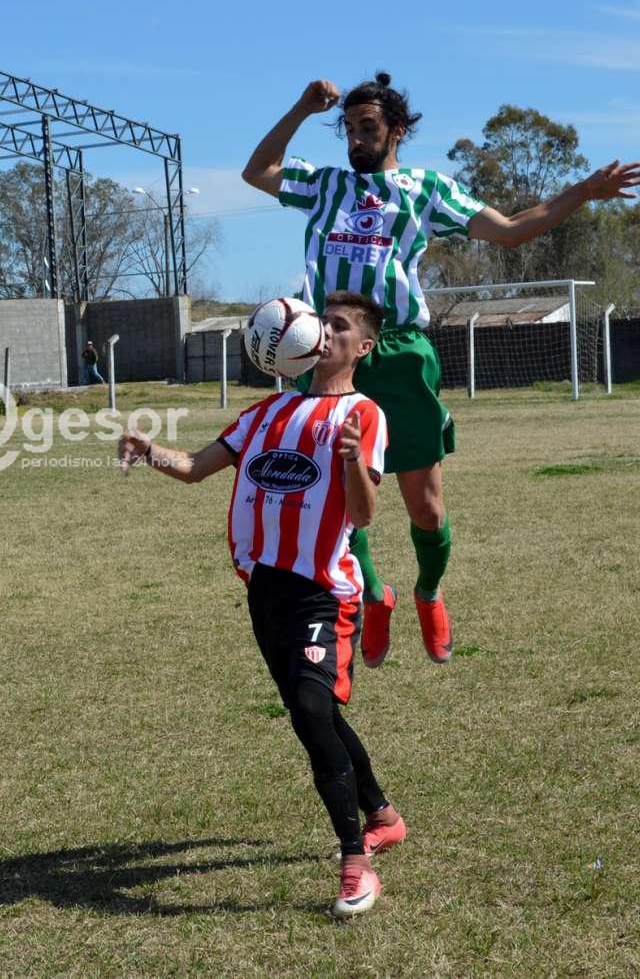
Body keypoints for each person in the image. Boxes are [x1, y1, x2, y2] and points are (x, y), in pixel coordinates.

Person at [241, 73, 640, 666]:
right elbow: (258, 171)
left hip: (401, 353)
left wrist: (584, 191)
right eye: (348, 129)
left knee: (425, 506)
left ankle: (428, 593)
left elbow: (512, 231)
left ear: (396, 131)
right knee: (339, 496)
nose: (355, 139)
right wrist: (302, 108)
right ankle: (372, 594)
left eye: (367, 127)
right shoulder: (325, 185)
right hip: (331, 351)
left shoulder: (426, 189)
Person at [118, 291, 404, 918]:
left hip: (323, 594)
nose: (325, 332)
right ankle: (383, 813)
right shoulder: (266, 411)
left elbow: (363, 515)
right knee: (314, 712)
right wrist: (150, 451)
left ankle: (355, 862)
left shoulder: (364, 415)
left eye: (340, 327)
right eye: (322, 321)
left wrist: (352, 463)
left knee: (311, 709)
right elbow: (195, 467)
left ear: (363, 346)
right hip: (265, 590)